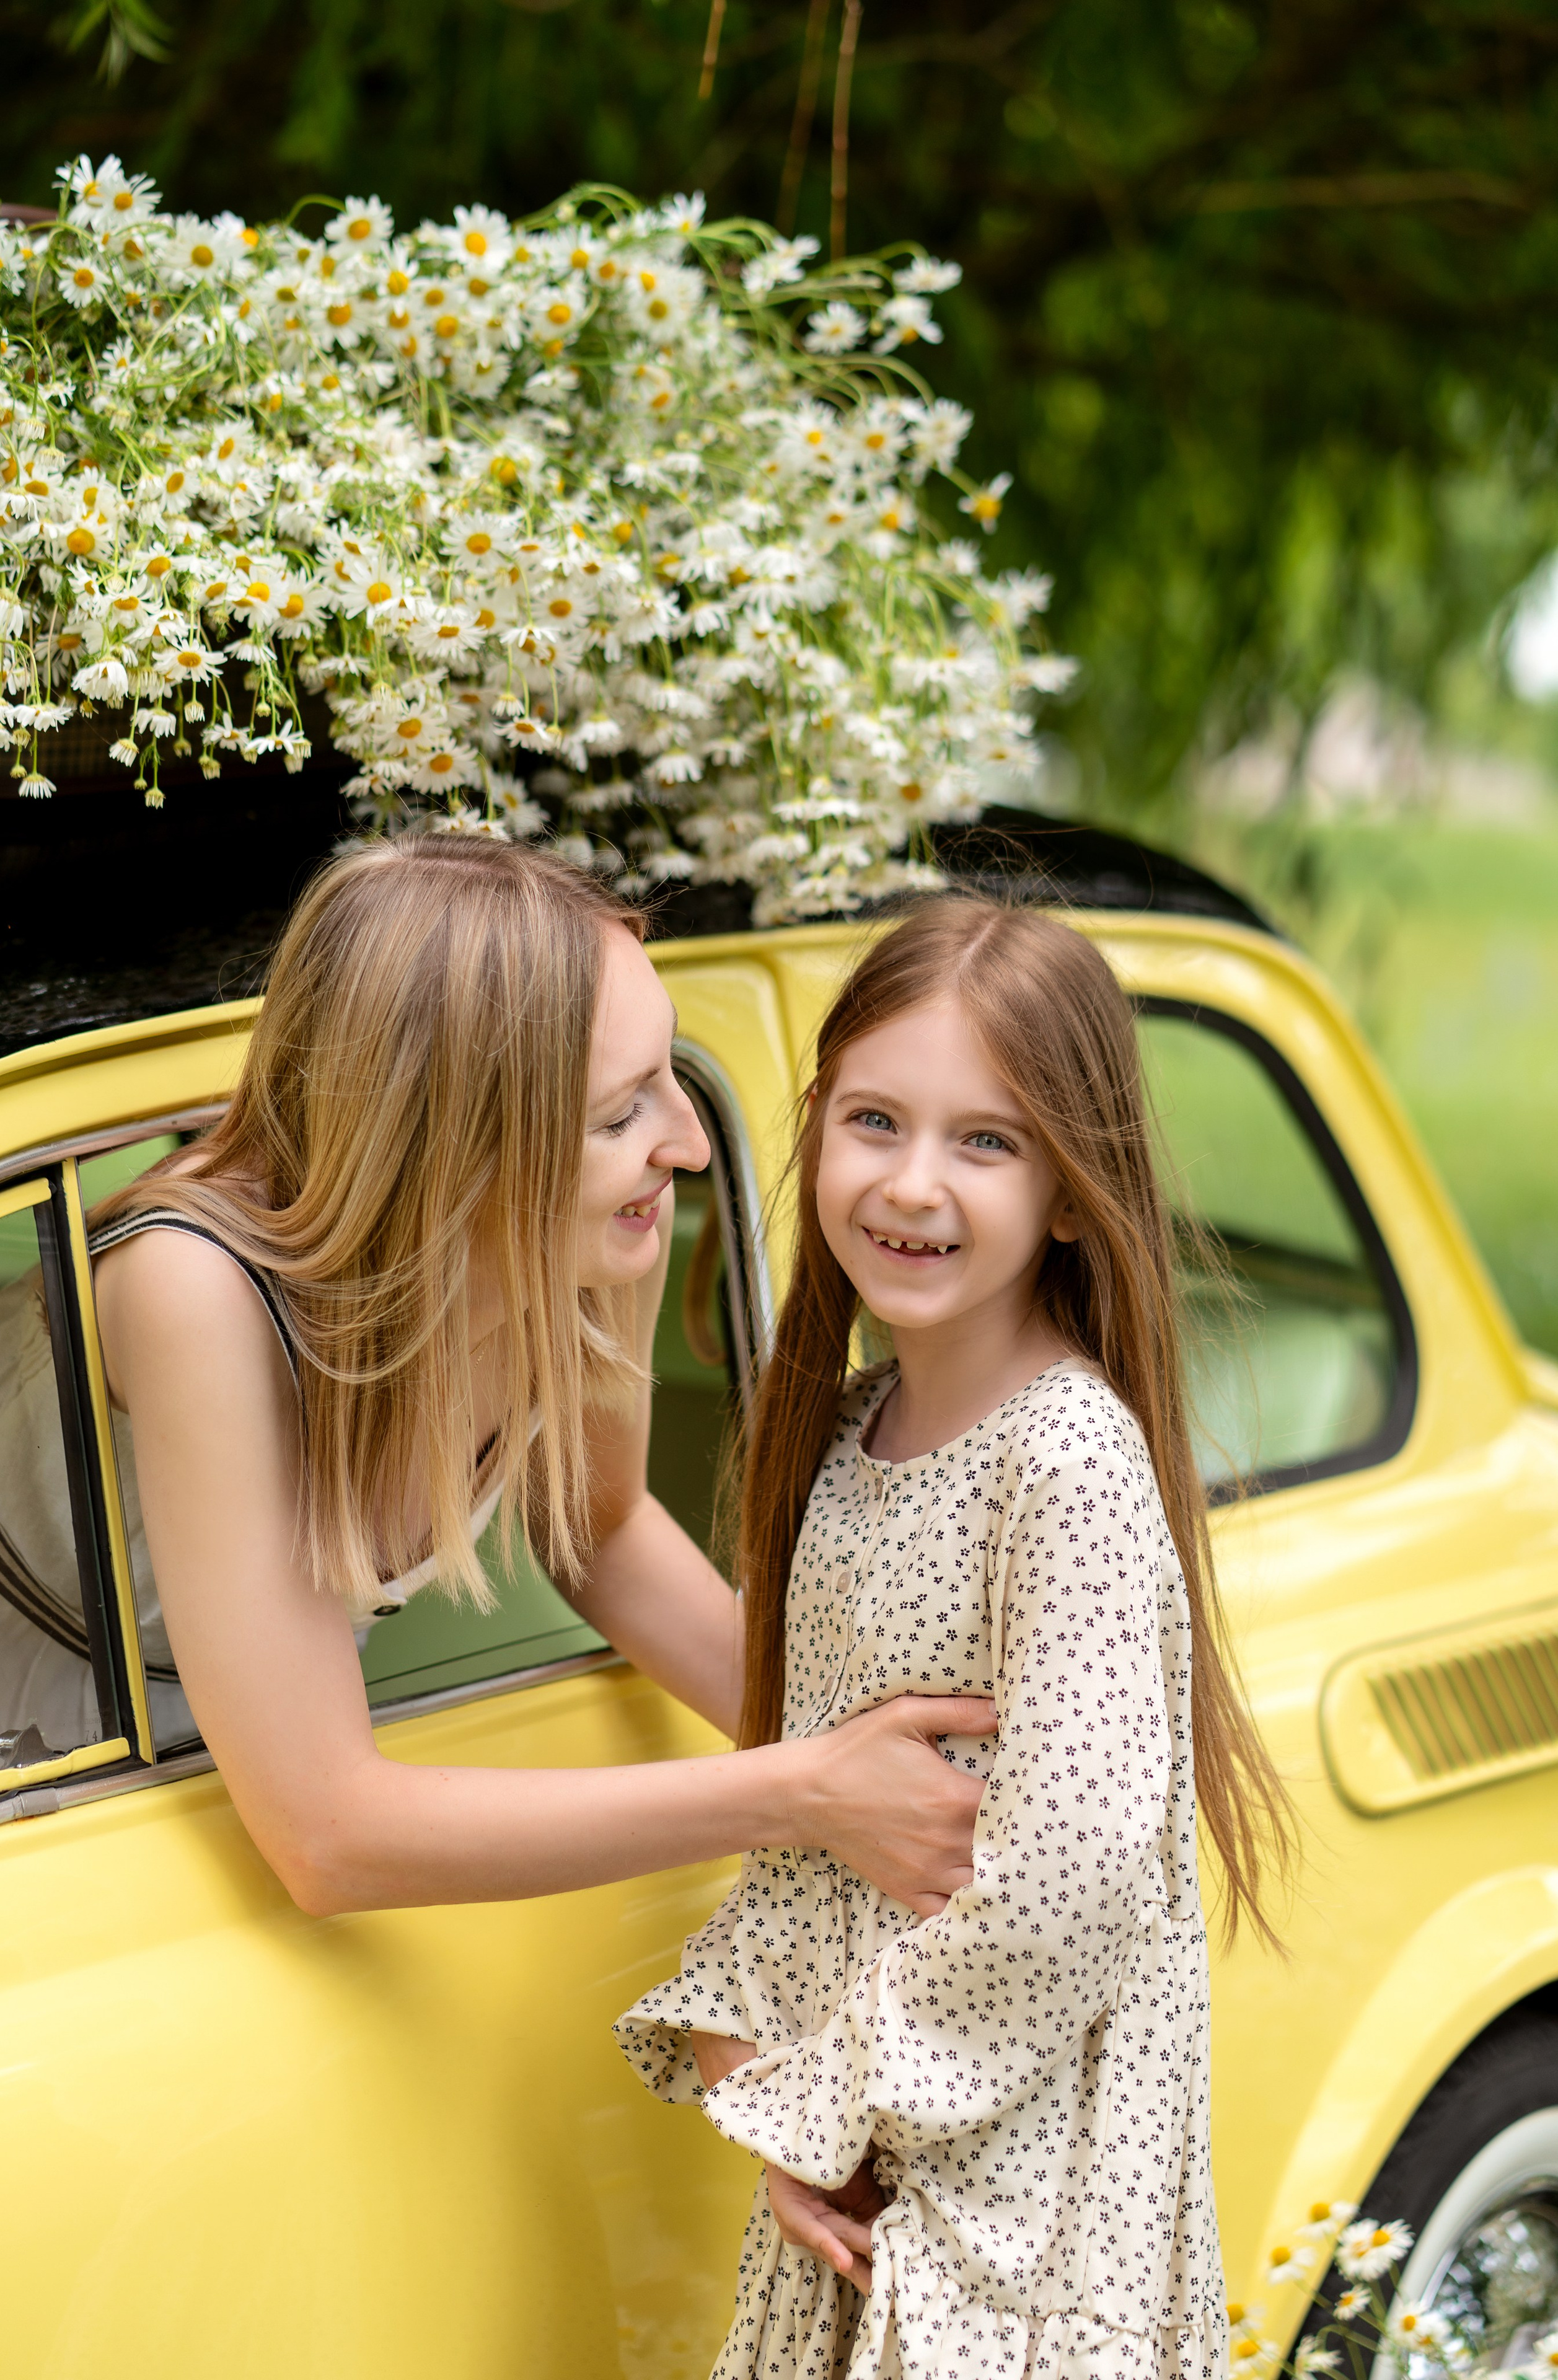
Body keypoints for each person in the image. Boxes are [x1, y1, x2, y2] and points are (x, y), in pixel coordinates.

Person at [0, 838, 995, 1914]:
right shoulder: (197, 1291)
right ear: (454, 1149)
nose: (688, 1144)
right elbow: (327, 1835)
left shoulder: (588, 1243)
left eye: (670, 1078)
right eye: (621, 1113)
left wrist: (865, 1756)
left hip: (227, 1736)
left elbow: (596, 1526)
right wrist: (798, 1793)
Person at [615, 895, 1292, 2380]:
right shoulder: (853, 1438)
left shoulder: (1064, 1465)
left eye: (983, 1141)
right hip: (884, 2198)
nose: (911, 1185)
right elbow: (819, 1826)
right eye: (873, 1120)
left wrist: (822, 2101)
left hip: (1029, 2239)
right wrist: (758, 2074)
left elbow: (1065, 1888)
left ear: (1069, 1186)